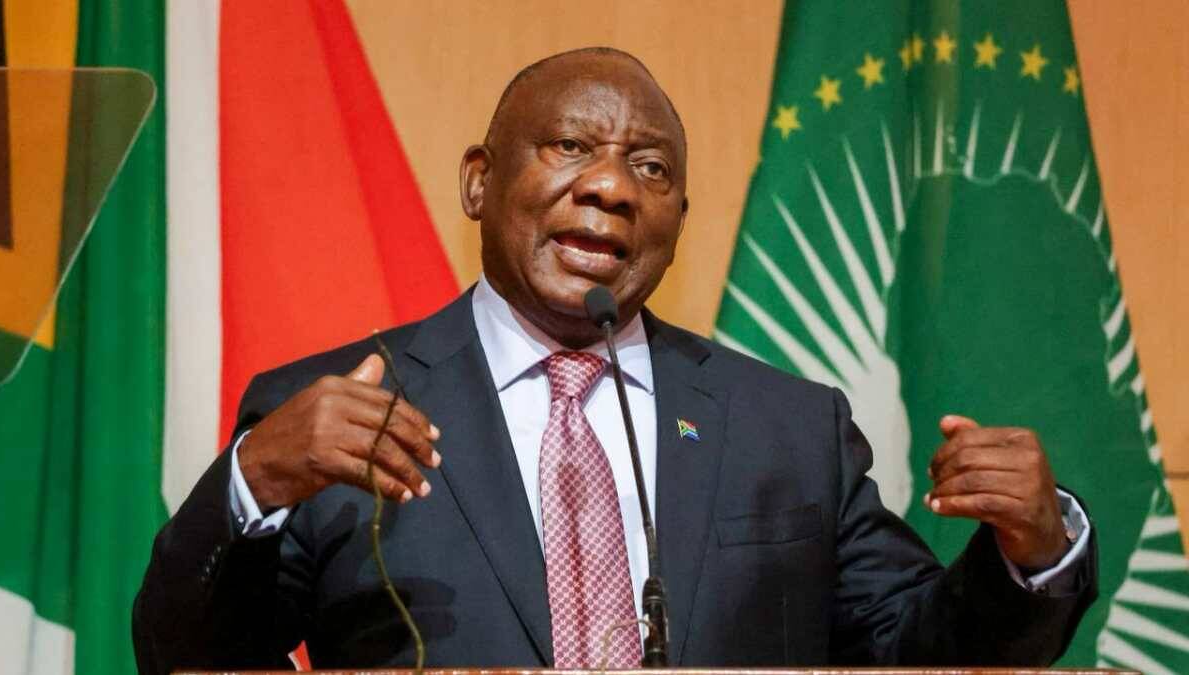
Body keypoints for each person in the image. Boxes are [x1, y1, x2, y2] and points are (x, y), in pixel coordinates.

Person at [133, 47, 1096, 673]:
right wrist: (253, 483)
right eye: (569, 146)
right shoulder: (331, 411)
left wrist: (1035, 548)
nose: (611, 188)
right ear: (479, 182)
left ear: (678, 217)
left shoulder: (789, 428)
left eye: (651, 167)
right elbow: (189, 656)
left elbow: (921, 649)